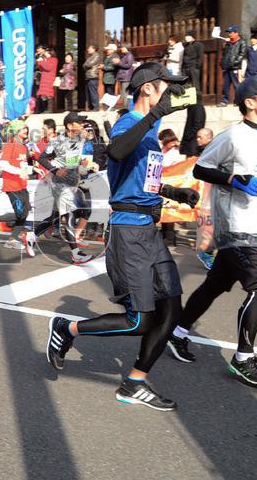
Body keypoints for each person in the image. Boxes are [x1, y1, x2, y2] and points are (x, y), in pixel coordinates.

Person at [46, 62, 198, 411]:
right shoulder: (130, 123)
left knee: (171, 311)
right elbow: (116, 152)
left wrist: (174, 192)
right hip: (128, 230)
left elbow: (144, 179)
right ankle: (66, 329)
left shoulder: (151, 130)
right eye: (166, 86)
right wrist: (155, 114)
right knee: (139, 320)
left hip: (150, 229)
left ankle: (135, 382)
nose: (171, 93)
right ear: (148, 89)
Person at [166, 77, 257, 386]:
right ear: (250, 102)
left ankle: (177, 332)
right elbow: (200, 169)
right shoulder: (232, 137)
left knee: (214, 285)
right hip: (236, 227)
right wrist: (232, 180)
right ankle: (243, 358)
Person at [33, 111, 95, 264]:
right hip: (59, 183)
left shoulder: (80, 138)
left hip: (72, 183)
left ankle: (31, 236)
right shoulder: (58, 141)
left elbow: (72, 159)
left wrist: (81, 164)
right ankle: (76, 254)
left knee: (57, 217)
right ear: (69, 126)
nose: (82, 125)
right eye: (79, 123)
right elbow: (41, 158)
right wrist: (54, 170)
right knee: (68, 217)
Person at [0, 119, 36, 257]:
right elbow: (2, 164)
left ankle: (12, 239)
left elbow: (22, 165)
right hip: (11, 185)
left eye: (26, 128)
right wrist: (18, 172)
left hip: (22, 184)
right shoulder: (10, 145)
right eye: (22, 129)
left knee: (25, 212)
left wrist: (33, 170)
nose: (26, 131)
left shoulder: (23, 146)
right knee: (21, 213)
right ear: (15, 131)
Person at [219, 26, 245, 106]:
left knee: (236, 85)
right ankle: (224, 101)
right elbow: (225, 54)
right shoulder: (228, 43)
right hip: (227, 67)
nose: (229, 34)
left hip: (235, 67)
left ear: (236, 33)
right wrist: (223, 64)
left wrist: (234, 63)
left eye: (231, 32)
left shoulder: (241, 42)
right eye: (229, 33)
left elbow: (242, 54)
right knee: (225, 86)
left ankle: (238, 101)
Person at [36, 48, 58, 113]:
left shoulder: (54, 59)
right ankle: (43, 109)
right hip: (44, 78)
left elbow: (47, 67)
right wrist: (40, 61)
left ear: (51, 53)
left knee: (48, 94)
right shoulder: (46, 60)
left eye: (47, 53)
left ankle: (49, 110)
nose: (45, 54)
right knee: (43, 94)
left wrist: (41, 62)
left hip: (49, 79)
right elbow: (41, 68)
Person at [83, 45, 102, 111]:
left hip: (93, 76)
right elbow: (84, 65)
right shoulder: (90, 57)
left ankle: (96, 107)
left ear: (94, 49)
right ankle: (91, 107)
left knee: (93, 92)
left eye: (89, 48)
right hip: (88, 76)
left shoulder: (96, 55)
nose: (88, 49)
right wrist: (86, 65)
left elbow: (88, 64)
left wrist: (86, 65)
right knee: (88, 93)